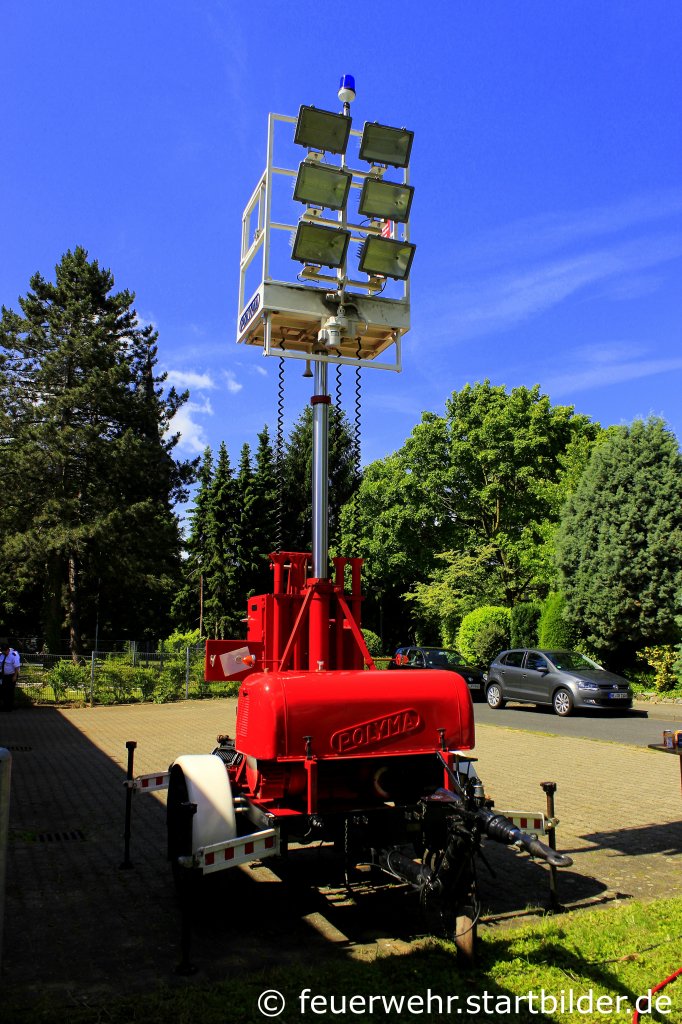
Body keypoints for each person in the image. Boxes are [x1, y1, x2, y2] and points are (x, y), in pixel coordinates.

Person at [0, 641, 21, 711]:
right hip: (4, 675)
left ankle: (9, 707)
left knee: (10, 691)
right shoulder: (2, 654)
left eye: (5, 651)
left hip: (12, 675)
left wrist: (15, 676)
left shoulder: (14, 655)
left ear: (8, 650)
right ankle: (5, 705)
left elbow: (17, 667)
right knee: (3, 690)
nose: (4, 653)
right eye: (3, 651)